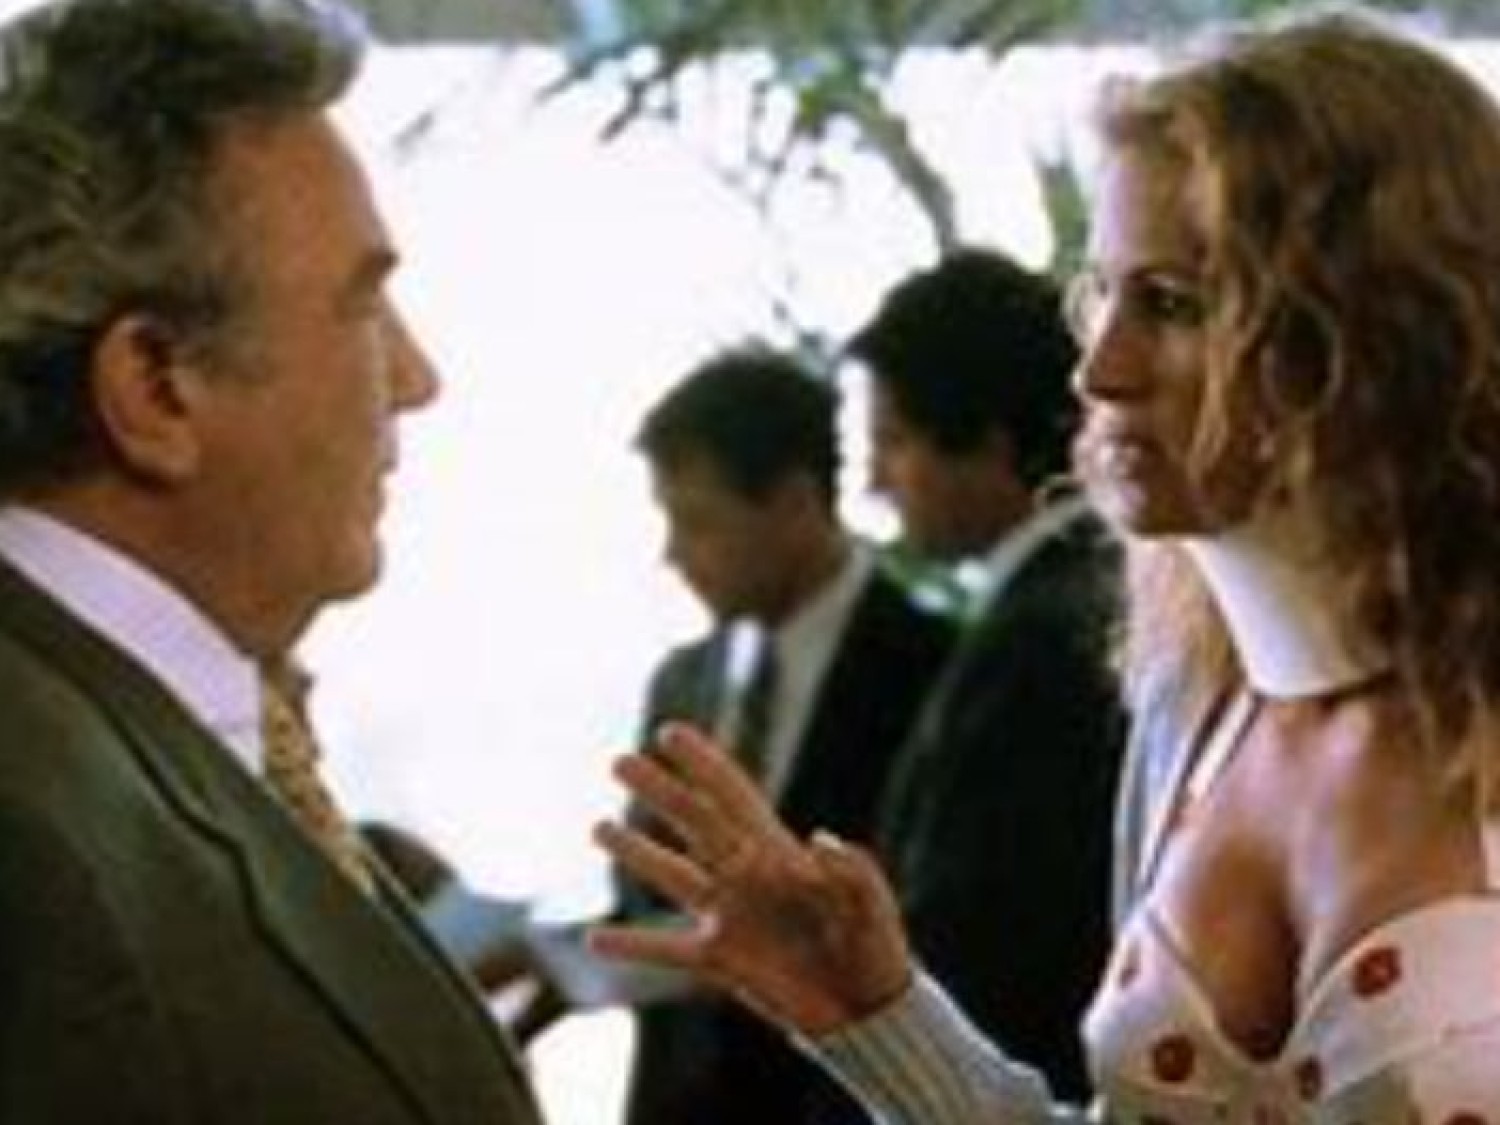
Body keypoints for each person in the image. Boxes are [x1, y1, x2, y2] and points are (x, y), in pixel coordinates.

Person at [588, 6, 1500, 1121]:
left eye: (1171, 303)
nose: (1098, 370)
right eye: (1100, 291)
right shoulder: (1190, 707)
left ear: (1376, 330)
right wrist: (875, 1014)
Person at [0, 1, 542, 1121]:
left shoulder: (153, 732)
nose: (418, 378)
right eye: (363, 303)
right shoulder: (33, 841)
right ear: (157, 387)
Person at [528, 346, 956, 1125]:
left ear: (795, 502)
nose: (672, 554)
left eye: (697, 521)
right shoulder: (681, 681)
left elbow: (935, 929)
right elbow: (645, 904)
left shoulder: (937, 669)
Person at [847, 248, 1125, 1098]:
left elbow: (986, 952)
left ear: (990, 441)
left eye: (893, 441)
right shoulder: (1079, 600)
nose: (875, 482)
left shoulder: (1041, 641)